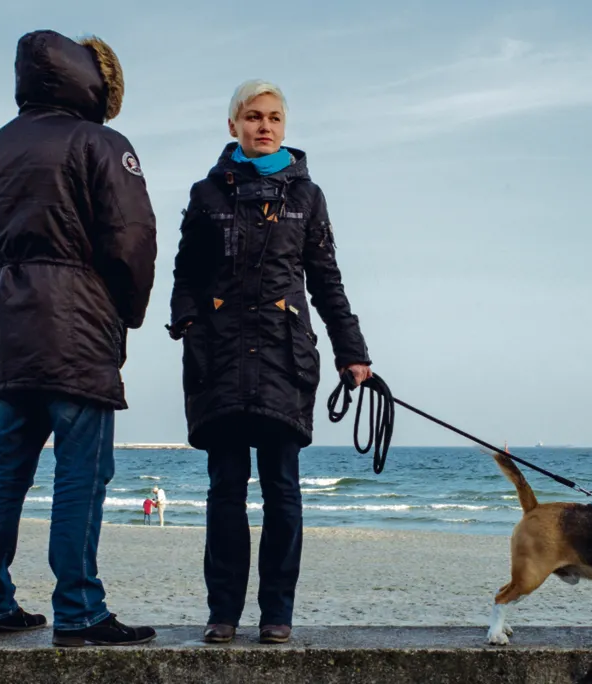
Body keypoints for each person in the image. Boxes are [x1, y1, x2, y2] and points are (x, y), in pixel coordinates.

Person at [0, 29, 158, 648]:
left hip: (11, 333)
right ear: (96, 85)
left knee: (7, 468)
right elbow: (132, 240)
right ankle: (79, 610)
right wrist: (125, 311)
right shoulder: (100, 143)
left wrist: (10, 294)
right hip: (77, 332)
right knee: (81, 470)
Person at [167, 79, 372, 645]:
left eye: (275, 118)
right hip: (221, 359)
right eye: (253, 116)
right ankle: (223, 614)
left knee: (283, 488)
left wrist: (351, 352)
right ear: (233, 125)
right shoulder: (206, 193)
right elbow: (186, 271)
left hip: (285, 357)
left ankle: (277, 613)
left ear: (285, 126)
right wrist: (187, 319)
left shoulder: (308, 197)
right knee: (225, 489)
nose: (265, 126)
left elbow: (327, 281)